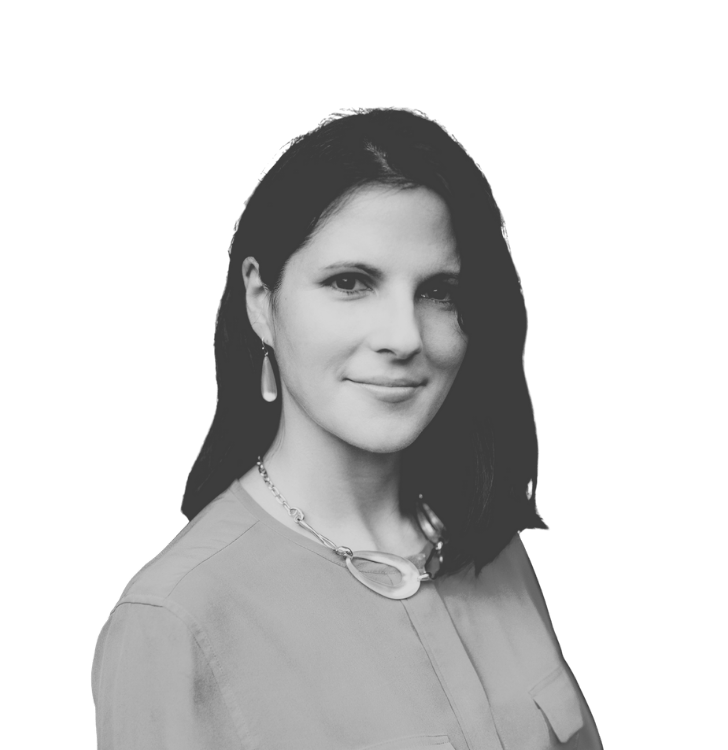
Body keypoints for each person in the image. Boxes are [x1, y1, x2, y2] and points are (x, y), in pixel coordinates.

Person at [91, 106, 603, 749]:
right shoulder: (175, 621)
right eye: (350, 282)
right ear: (261, 301)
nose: (405, 337)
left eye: (439, 291)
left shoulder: (491, 546)